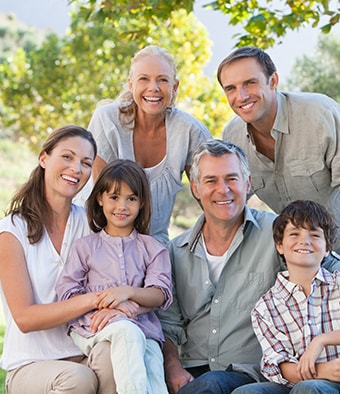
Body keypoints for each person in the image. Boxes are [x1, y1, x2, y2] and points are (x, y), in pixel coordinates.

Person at [157, 140, 340, 394]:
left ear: (247, 183)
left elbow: (338, 269)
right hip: (192, 370)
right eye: (211, 181)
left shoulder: (278, 235)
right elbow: (168, 323)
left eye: (232, 179)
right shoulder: (176, 251)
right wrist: (172, 366)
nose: (223, 190)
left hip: (253, 372)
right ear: (195, 188)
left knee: (209, 385)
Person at [217, 46, 340, 269]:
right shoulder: (232, 136)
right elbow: (233, 200)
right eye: (230, 88)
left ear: (273, 81)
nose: (240, 96)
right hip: (300, 258)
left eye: (250, 83)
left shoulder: (319, 114)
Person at [0, 125, 117, 394]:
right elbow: (25, 318)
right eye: (67, 157)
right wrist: (92, 299)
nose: (76, 168)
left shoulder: (92, 226)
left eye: (86, 163)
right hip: (30, 365)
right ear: (44, 159)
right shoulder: (10, 232)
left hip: (83, 351)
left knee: (117, 355)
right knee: (78, 379)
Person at [232, 199, 340, 394]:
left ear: (327, 249)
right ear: (279, 245)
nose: (304, 240)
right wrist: (321, 370)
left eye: (315, 235)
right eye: (294, 233)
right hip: (293, 385)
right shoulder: (266, 307)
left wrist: (322, 340)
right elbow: (280, 365)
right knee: (246, 393)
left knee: (308, 388)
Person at [56, 159, 173, 394]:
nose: (122, 206)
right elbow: (67, 293)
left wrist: (127, 293)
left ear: (141, 203)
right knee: (126, 331)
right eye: (114, 197)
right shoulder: (85, 247)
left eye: (131, 198)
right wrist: (109, 306)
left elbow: (159, 294)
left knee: (152, 365)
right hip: (92, 325)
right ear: (100, 199)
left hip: (144, 328)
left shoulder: (153, 248)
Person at [77, 44, 212, 245]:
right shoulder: (106, 120)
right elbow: (103, 200)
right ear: (131, 85)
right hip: (96, 235)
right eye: (144, 79)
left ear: (174, 87)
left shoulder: (190, 131)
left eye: (162, 80)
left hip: (152, 244)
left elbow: (211, 193)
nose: (153, 88)